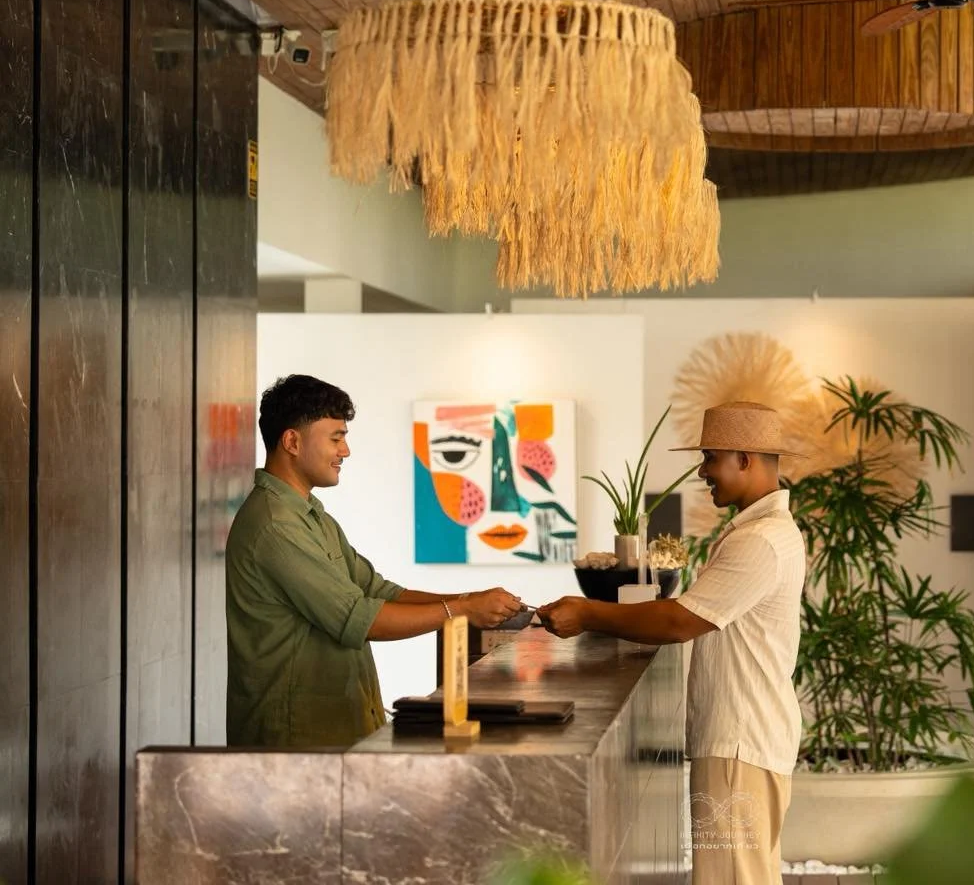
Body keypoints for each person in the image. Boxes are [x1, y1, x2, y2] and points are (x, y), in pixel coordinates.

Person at [538, 402, 804, 885]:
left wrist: (588, 613)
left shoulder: (760, 540)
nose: (702, 471)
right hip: (746, 739)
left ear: (744, 459)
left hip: (738, 745)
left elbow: (681, 621)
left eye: (710, 457)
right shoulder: (767, 531)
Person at [227, 374, 523, 748]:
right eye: (336, 438)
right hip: (294, 741)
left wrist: (471, 598)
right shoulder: (275, 526)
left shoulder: (311, 515)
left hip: (335, 731)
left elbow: (379, 591)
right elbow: (361, 619)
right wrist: (462, 610)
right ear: (292, 441)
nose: (345, 451)